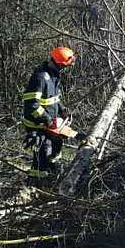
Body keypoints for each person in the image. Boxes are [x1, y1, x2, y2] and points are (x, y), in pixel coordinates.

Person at [21, 46, 76, 182]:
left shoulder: (53, 76)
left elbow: (54, 99)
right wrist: (47, 119)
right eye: (64, 66)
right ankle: (34, 183)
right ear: (59, 64)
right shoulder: (40, 77)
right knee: (44, 152)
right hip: (37, 125)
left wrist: (62, 110)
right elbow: (32, 104)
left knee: (56, 147)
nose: (65, 69)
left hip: (49, 123)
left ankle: (52, 173)